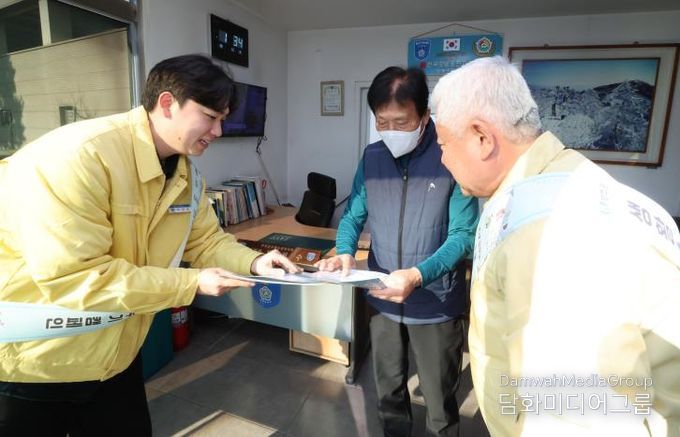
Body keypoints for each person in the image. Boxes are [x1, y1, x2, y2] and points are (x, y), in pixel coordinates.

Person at [0, 54, 299, 435]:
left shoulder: (185, 174)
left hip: (115, 358)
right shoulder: (77, 157)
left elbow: (205, 240)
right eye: (210, 116)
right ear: (167, 103)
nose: (218, 131)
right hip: (35, 365)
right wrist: (191, 283)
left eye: (223, 119)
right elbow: (77, 278)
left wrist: (254, 263)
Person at [430, 56, 680, 436]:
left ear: (482, 138)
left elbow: (576, 418)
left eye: (444, 143)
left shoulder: (552, 234)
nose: (442, 157)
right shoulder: (570, 181)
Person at [316, 66, 479, 436]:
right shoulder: (372, 157)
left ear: (424, 116)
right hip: (384, 298)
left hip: (435, 303)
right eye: (382, 122)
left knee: (439, 403)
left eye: (401, 122)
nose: (390, 131)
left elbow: (463, 236)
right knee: (388, 393)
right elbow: (353, 213)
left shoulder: (450, 157)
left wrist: (418, 275)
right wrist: (344, 251)